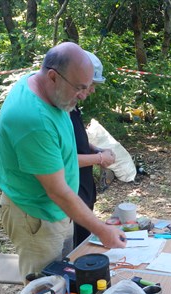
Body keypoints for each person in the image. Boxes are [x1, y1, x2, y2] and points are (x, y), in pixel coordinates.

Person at [0, 42, 126, 294]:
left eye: (88, 86)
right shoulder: (30, 119)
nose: (84, 95)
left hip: (56, 213)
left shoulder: (51, 91)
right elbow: (58, 191)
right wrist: (100, 229)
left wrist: (94, 157)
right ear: (52, 76)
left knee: (61, 281)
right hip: (35, 215)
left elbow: (63, 158)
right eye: (80, 87)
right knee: (38, 290)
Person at [72, 51, 116, 247]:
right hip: (71, 194)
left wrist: (95, 149)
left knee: (83, 241)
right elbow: (64, 160)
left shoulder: (71, 105)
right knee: (74, 248)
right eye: (91, 85)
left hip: (84, 188)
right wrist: (99, 158)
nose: (92, 91)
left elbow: (75, 140)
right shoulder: (58, 108)